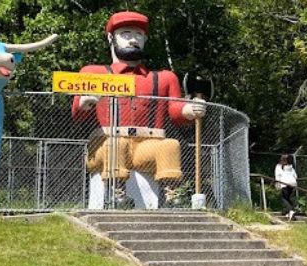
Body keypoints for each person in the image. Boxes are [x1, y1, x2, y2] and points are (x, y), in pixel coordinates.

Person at [71, 11, 206, 209]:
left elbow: (175, 109)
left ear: (145, 39)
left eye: (139, 35)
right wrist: (84, 102)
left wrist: (189, 109)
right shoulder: (92, 73)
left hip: (148, 144)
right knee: (117, 144)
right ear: (111, 37)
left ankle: (171, 196)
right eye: (126, 34)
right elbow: (77, 114)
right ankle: (117, 195)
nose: (133, 40)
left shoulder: (164, 78)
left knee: (169, 145)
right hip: (106, 143)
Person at [275, 154, 298, 220]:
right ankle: (288, 213)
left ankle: (291, 211)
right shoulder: (291, 167)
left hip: (284, 183)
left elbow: (277, 176)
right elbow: (295, 176)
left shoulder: (279, 166)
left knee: (283, 198)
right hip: (293, 183)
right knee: (289, 198)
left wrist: (277, 184)